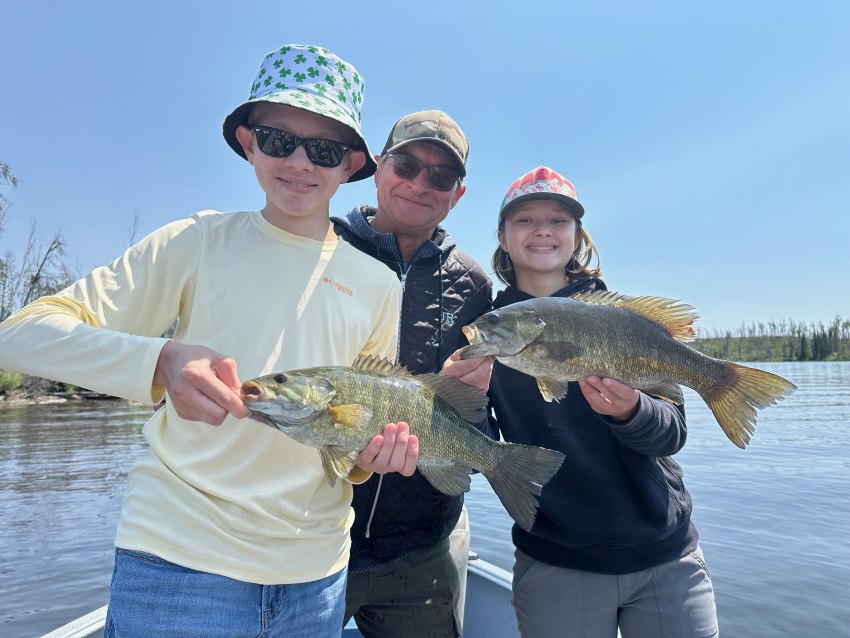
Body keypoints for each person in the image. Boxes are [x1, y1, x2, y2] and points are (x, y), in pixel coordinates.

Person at [0, 44, 419, 638]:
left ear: (352, 165)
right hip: (177, 567)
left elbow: (352, 443)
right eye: (278, 140)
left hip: (319, 577)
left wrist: (369, 457)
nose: (299, 162)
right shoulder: (194, 241)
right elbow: (17, 337)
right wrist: (159, 361)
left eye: (323, 149)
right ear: (248, 143)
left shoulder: (379, 284)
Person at [476, 166, 719, 637]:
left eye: (558, 220)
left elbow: (672, 434)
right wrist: (465, 394)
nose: (543, 230)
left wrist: (631, 412)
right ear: (503, 238)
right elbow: (475, 447)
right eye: (525, 220)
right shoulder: (491, 330)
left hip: (665, 555)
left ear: (577, 236)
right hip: (556, 559)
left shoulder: (621, 318)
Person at [332, 110, 493, 637]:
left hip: (422, 549)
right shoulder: (320, 246)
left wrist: (471, 405)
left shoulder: (474, 284)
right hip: (312, 534)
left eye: (441, 176)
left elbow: (479, 415)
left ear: (457, 195)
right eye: (406, 165)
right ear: (379, 167)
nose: (421, 184)